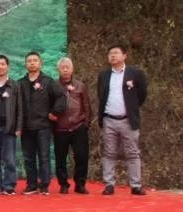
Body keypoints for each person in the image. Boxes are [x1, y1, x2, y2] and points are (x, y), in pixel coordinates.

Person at [97, 45, 148, 196]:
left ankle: (136, 185)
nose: (112, 55)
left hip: (128, 120)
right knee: (109, 152)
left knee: (132, 153)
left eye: (116, 53)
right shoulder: (104, 75)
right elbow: (101, 95)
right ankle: (109, 184)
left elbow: (142, 95)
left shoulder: (135, 73)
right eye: (110, 53)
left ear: (124, 56)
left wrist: (131, 108)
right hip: (109, 119)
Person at [18, 52, 67, 195]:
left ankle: (44, 185)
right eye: (29, 61)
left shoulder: (48, 81)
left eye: (35, 60)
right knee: (28, 158)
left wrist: (54, 112)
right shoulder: (20, 83)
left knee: (44, 157)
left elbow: (62, 97)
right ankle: (32, 185)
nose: (32, 63)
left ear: (40, 63)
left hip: (43, 126)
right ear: (25, 64)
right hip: (26, 127)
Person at [0, 55, 23, 196]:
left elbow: (20, 107)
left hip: (9, 127)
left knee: (9, 159)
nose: (0, 66)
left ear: (8, 66)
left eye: (2, 64)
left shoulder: (14, 85)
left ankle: (9, 185)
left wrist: (19, 127)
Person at [54, 57, 91, 194]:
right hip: (60, 128)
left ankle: (80, 184)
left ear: (72, 69)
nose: (65, 70)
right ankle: (63, 184)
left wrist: (86, 124)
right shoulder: (53, 85)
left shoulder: (80, 85)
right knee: (60, 158)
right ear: (58, 69)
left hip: (78, 126)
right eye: (62, 67)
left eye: (67, 67)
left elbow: (87, 105)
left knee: (81, 156)